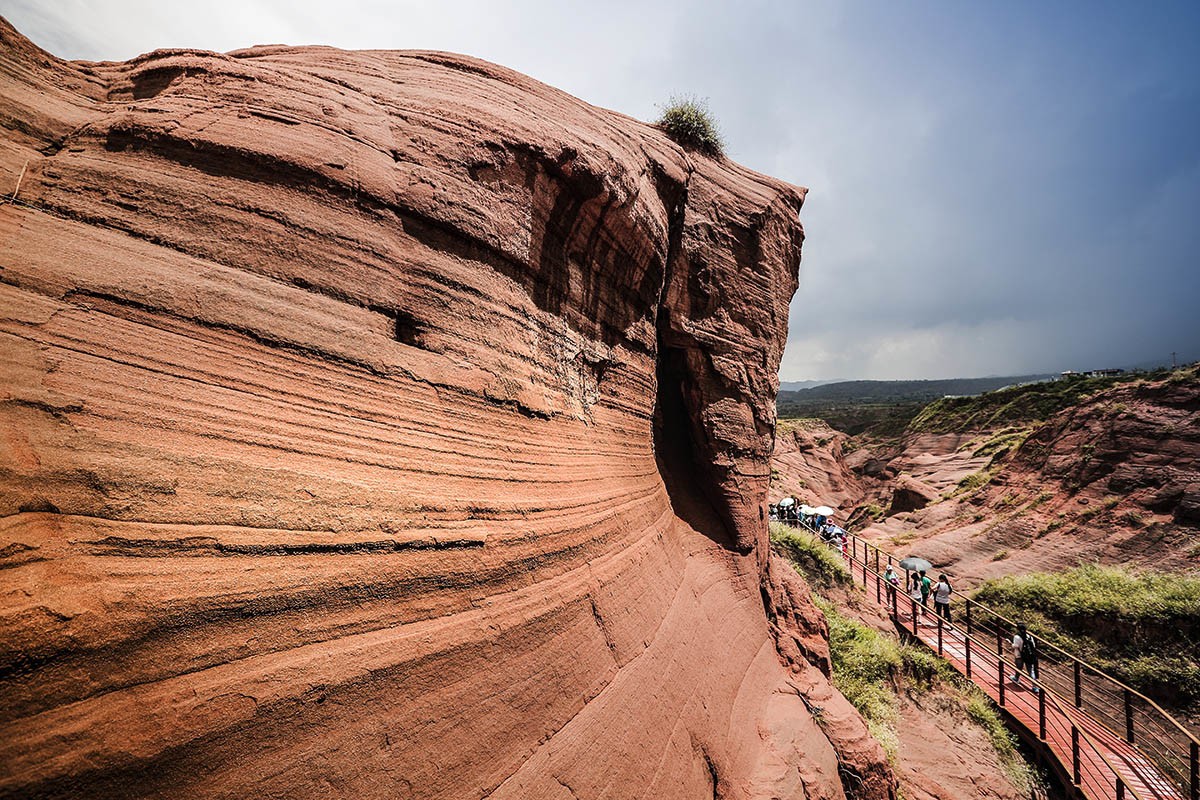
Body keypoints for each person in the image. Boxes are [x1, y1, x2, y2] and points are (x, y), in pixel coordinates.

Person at [1020, 625, 1039, 690]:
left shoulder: (1018, 636)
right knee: (1032, 670)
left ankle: (1035, 686)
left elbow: (1017, 646)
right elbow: (1033, 646)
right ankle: (1035, 686)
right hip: (1031, 656)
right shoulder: (1030, 636)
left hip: (1024, 656)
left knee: (1029, 670)